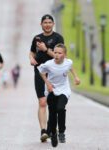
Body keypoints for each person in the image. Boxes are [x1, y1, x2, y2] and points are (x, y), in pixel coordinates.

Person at [29, 14, 64, 142]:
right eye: (45, 22)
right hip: (39, 72)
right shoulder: (37, 38)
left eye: (50, 22)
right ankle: (43, 131)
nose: (47, 24)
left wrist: (45, 49)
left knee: (53, 103)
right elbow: (32, 51)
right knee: (42, 102)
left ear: (53, 24)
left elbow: (59, 56)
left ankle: (51, 127)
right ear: (41, 24)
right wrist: (31, 58)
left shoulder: (58, 38)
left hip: (55, 74)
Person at [38, 43, 80, 147]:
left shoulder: (68, 62)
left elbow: (71, 68)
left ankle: (61, 132)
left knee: (60, 108)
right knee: (52, 113)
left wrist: (76, 77)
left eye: (59, 53)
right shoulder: (48, 64)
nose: (56, 55)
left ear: (65, 55)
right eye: (55, 52)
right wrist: (47, 83)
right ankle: (53, 134)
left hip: (64, 89)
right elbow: (41, 72)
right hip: (51, 89)